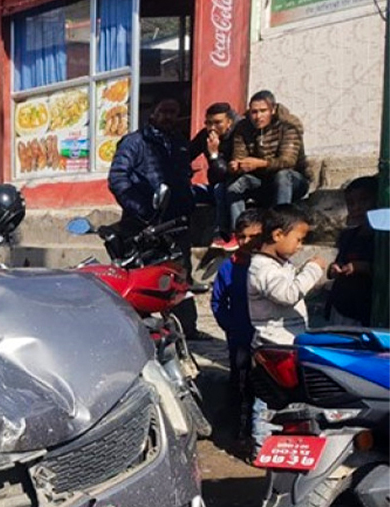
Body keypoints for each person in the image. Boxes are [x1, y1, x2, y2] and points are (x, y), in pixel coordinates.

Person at [109, 98, 198, 334]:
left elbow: (184, 177)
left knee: (180, 275)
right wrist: (141, 209)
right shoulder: (135, 142)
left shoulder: (179, 143)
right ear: (152, 113)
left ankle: (185, 329)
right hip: (142, 224)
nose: (168, 116)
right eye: (164, 111)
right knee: (141, 275)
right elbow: (118, 178)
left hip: (176, 222)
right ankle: (136, 329)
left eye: (173, 112)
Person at [247, 204, 329, 452]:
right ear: (277, 235)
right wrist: (313, 269)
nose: (300, 246)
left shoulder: (279, 264)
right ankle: (262, 447)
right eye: (298, 239)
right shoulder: (261, 267)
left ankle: (285, 445)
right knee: (268, 401)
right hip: (273, 346)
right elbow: (287, 294)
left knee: (286, 400)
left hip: (287, 344)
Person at [210, 208, 263, 438]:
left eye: (254, 236)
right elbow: (218, 301)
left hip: (266, 339)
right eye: (242, 236)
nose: (247, 242)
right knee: (240, 386)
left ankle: (259, 434)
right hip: (240, 339)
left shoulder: (272, 266)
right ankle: (238, 433)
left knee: (263, 387)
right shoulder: (229, 267)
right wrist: (230, 326)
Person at [227, 91, 309, 235]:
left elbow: (288, 162)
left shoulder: (288, 127)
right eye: (254, 112)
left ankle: (280, 228)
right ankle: (239, 232)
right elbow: (239, 156)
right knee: (235, 185)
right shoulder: (243, 128)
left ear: (273, 110)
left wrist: (261, 163)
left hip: (293, 181)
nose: (258, 116)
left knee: (282, 176)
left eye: (263, 111)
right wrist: (236, 166)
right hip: (261, 182)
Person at [326, 175, 378, 327]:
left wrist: (363, 267)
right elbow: (340, 261)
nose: (356, 208)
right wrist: (334, 268)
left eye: (363, 201)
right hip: (341, 307)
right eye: (351, 203)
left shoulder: (383, 240)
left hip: (366, 311)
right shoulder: (348, 236)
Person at [189, 102, 239, 249]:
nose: (212, 128)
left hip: (233, 185)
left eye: (218, 123)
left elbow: (225, 175)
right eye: (208, 123)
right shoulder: (205, 136)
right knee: (186, 192)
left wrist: (214, 155)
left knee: (220, 188)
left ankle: (221, 234)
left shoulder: (238, 135)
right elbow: (186, 154)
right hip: (214, 185)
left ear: (229, 122)